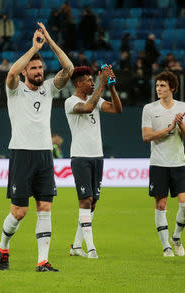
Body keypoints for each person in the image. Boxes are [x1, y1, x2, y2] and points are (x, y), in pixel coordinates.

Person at [0, 22, 73, 272]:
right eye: (34, 68)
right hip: (21, 154)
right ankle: (3, 246)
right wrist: (32, 49)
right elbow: (10, 74)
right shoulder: (15, 91)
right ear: (25, 72)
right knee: (19, 212)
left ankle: (42, 261)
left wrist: (48, 40)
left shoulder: (48, 89)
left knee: (45, 208)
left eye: (40, 67)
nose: (39, 71)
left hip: (44, 156)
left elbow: (69, 68)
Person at [65, 65, 122, 259]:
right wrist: (102, 84)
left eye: (93, 80)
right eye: (89, 80)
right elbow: (88, 108)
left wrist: (111, 87)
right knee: (85, 200)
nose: (92, 83)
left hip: (97, 156)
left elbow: (117, 109)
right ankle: (91, 249)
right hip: (80, 157)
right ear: (79, 83)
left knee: (93, 204)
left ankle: (76, 246)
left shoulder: (95, 98)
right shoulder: (70, 102)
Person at [141, 71, 185, 257]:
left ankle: (177, 237)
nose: (158, 89)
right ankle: (166, 247)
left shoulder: (184, 107)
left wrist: (180, 125)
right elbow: (146, 136)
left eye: (162, 86)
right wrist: (169, 129)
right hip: (158, 163)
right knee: (161, 205)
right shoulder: (149, 109)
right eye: (157, 86)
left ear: (172, 87)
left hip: (179, 163)